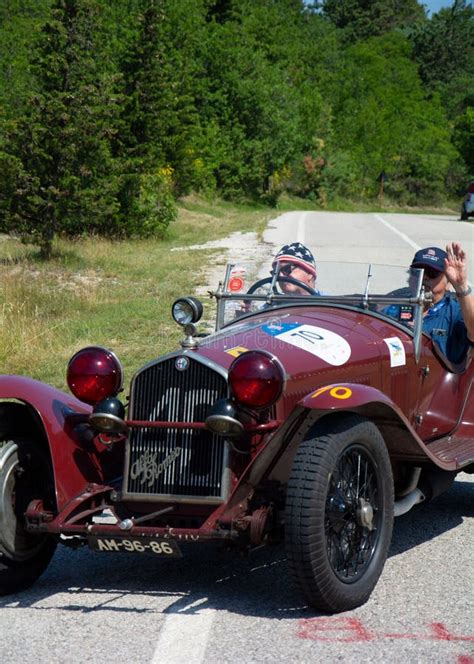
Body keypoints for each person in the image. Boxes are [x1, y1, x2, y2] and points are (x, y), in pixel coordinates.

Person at [410, 242, 474, 365]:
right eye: (419, 271)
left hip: (440, 380)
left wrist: (460, 286)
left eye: (432, 273)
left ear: (448, 281)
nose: (424, 277)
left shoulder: (455, 310)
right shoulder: (394, 305)